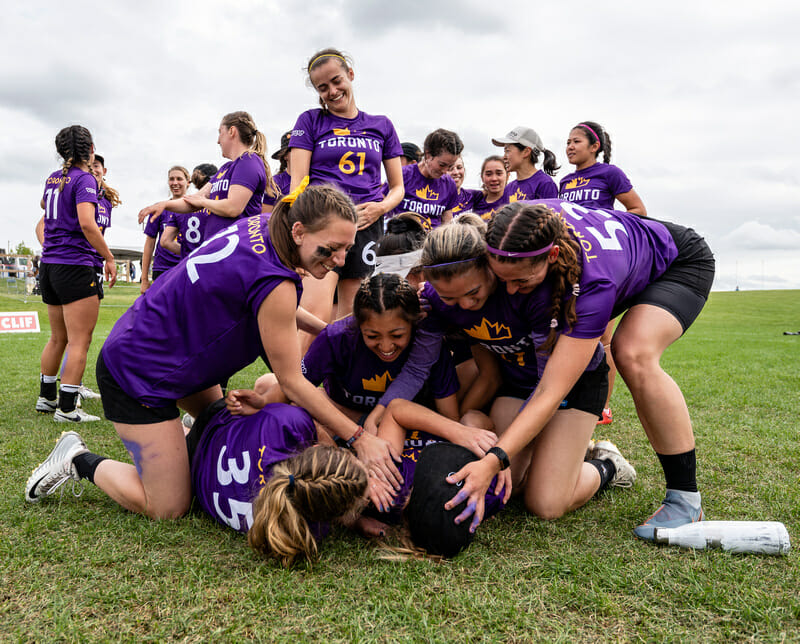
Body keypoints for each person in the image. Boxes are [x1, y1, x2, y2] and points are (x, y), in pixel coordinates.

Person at [26, 183, 401, 520]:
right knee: (168, 506)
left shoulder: (265, 228)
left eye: (347, 249)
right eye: (330, 248)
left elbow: (273, 305)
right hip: (138, 374)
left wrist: (329, 330)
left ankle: (181, 435)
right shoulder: (277, 280)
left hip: (172, 356)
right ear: (299, 231)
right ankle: (77, 459)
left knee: (224, 425)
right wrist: (359, 438)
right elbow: (292, 380)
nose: (339, 260)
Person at [442, 200, 714, 542]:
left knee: (631, 351)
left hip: (676, 263)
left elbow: (551, 389)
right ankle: (572, 448)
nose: (510, 291)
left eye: (521, 282)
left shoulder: (590, 281)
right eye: (502, 279)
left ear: (553, 255)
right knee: (526, 484)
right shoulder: (503, 228)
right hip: (615, 262)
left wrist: (496, 458)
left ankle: (684, 498)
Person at [27, 402, 368, 568]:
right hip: (197, 481)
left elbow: (283, 402)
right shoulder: (304, 530)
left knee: (163, 499)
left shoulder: (289, 424)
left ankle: (76, 455)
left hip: (208, 432)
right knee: (160, 505)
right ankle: (79, 460)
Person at [256, 272, 462, 430]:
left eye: (397, 335)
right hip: (342, 419)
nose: (386, 347)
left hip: (405, 428)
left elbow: (449, 419)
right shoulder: (335, 337)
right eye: (372, 336)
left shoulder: (428, 346)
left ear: (414, 325)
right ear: (357, 325)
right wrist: (261, 403)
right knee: (267, 386)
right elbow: (296, 389)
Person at [288, 48, 404, 326]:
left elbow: (398, 188)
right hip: (323, 226)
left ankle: (335, 371)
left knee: (352, 319)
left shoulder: (382, 125)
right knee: (313, 315)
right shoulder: (310, 121)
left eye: (337, 81)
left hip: (367, 226)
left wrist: (381, 209)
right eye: (323, 87)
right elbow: (297, 184)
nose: (332, 91)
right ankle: (298, 371)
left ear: (350, 75)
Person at [559, 121, 648, 424]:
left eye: (576, 141)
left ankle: (603, 406)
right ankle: (570, 396)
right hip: (569, 265)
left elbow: (638, 211)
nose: (569, 146)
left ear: (594, 146)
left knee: (603, 336)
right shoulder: (565, 183)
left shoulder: (610, 174)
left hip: (600, 264)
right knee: (570, 330)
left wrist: (602, 222)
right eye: (567, 142)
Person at [35, 125, 117, 422]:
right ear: (90, 148)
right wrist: (108, 256)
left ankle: (46, 398)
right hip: (75, 265)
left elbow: (46, 207)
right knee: (79, 340)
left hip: (50, 266)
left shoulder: (52, 178)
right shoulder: (85, 180)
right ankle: (67, 408)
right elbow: (87, 223)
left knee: (58, 337)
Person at [139, 111, 277, 248]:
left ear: (232, 131)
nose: (218, 141)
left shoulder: (249, 161)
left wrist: (204, 202)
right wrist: (164, 205)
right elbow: (193, 201)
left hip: (237, 250)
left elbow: (233, 208)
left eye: (220, 132)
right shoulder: (225, 168)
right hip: (218, 249)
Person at [389, 129, 462, 229]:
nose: (445, 171)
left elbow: (447, 225)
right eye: (442, 165)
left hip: (432, 242)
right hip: (402, 240)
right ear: (428, 155)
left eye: (450, 166)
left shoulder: (449, 184)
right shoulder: (402, 175)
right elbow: (382, 209)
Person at [140, 166, 188, 292]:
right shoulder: (159, 209)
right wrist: (144, 279)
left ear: (188, 182)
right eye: (171, 179)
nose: (175, 183)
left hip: (185, 266)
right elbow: (149, 243)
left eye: (179, 179)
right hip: (162, 269)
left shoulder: (196, 208)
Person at [492, 126, 559, 202]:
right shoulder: (508, 189)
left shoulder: (545, 184)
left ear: (526, 152)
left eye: (507, 151)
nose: (503, 157)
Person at [468, 155, 510, 221]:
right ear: (482, 177)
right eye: (488, 174)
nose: (494, 179)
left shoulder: (513, 202)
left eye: (499, 173)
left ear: (507, 176)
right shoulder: (475, 202)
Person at [262, 131, 293, 212]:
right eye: (296, 149)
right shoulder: (275, 183)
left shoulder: (316, 178)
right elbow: (265, 218)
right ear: (285, 156)